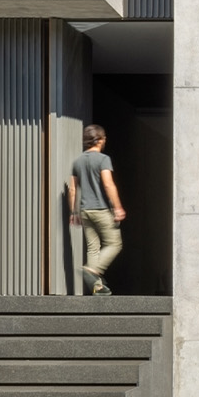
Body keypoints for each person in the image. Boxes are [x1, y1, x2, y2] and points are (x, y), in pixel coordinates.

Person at [68, 124, 125, 295]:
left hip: (85, 211)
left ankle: (98, 287)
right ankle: (93, 270)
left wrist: (73, 212)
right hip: (100, 209)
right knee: (115, 243)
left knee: (93, 248)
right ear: (100, 140)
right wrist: (118, 207)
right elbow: (108, 184)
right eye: (104, 138)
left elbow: (72, 189)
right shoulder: (103, 159)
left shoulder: (77, 161)